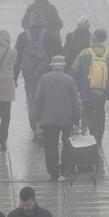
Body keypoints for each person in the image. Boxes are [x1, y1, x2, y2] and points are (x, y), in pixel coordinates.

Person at [15, 12, 63, 143]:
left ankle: (35, 129)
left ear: (31, 22)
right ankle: (42, 128)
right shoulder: (50, 35)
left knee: (32, 101)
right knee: (45, 100)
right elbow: (60, 54)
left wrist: (14, 78)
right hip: (46, 74)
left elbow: (17, 59)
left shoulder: (22, 36)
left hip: (30, 76)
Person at [72, 28, 109, 145]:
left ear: (93, 39)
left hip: (87, 88)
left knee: (89, 110)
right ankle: (100, 134)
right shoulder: (107, 54)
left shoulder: (85, 53)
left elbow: (74, 70)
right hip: (103, 88)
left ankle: (93, 132)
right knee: (100, 110)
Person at [35, 56, 81, 181]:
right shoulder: (70, 80)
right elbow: (76, 102)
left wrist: (38, 115)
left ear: (52, 66)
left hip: (48, 119)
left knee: (50, 146)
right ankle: (64, 167)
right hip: (66, 119)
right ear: (64, 66)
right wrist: (76, 118)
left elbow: (38, 99)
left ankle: (53, 173)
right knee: (67, 144)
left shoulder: (44, 79)